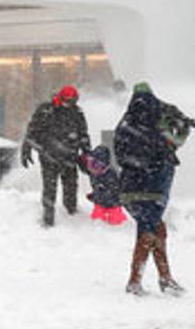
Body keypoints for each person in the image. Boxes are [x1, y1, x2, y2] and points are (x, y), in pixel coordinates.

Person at [115, 82, 195, 297]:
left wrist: (136, 163)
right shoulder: (160, 121)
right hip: (155, 186)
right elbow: (173, 143)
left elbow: (119, 154)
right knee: (148, 230)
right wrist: (183, 129)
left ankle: (165, 278)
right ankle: (135, 281)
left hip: (130, 189)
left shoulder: (125, 124)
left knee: (156, 229)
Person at [21, 85, 91, 227]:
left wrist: (87, 153)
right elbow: (32, 130)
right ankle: (48, 218)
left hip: (70, 157)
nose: (70, 104)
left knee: (71, 187)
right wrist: (26, 148)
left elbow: (83, 135)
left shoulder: (77, 113)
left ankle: (71, 216)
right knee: (49, 187)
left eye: (73, 101)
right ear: (60, 98)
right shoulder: (46, 110)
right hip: (49, 156)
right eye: (68, 101)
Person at [80, 145, 127, 225]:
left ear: (105, 165)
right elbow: (84, 168)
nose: (94, 168)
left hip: (113, 204)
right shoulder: (94, 174)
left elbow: (113, 191)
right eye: (91, 164)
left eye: (97, 165)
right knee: (97, 219)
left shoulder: (111, 175)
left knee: (115, 221)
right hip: (99, 204)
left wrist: (98, 195)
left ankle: (120, 222)